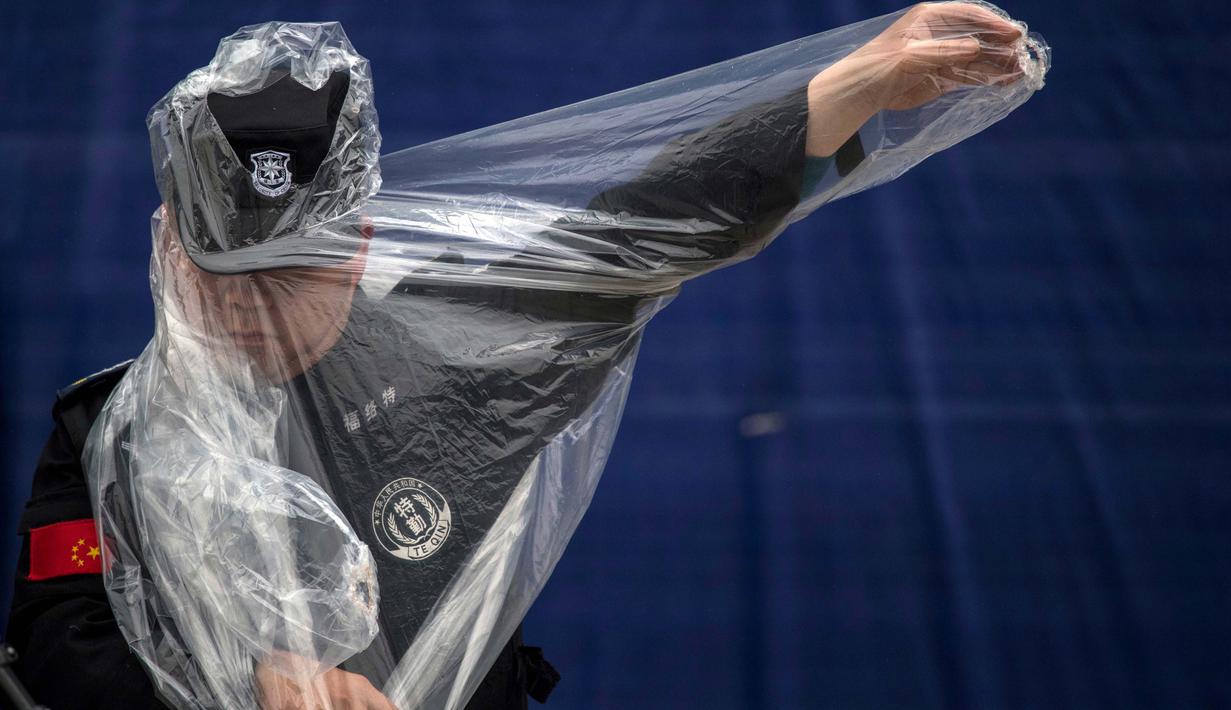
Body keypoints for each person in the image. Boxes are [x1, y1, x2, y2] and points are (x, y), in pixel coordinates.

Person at [6, 4, 1039, 708]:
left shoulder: (457, 349)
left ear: (362, 243)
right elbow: (61, 640)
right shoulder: (112, 434)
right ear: (166, 246)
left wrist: (852, 82)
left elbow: (648, 221)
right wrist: (248, 682)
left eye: (291, 274)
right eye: (219, 272)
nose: (250, 311)